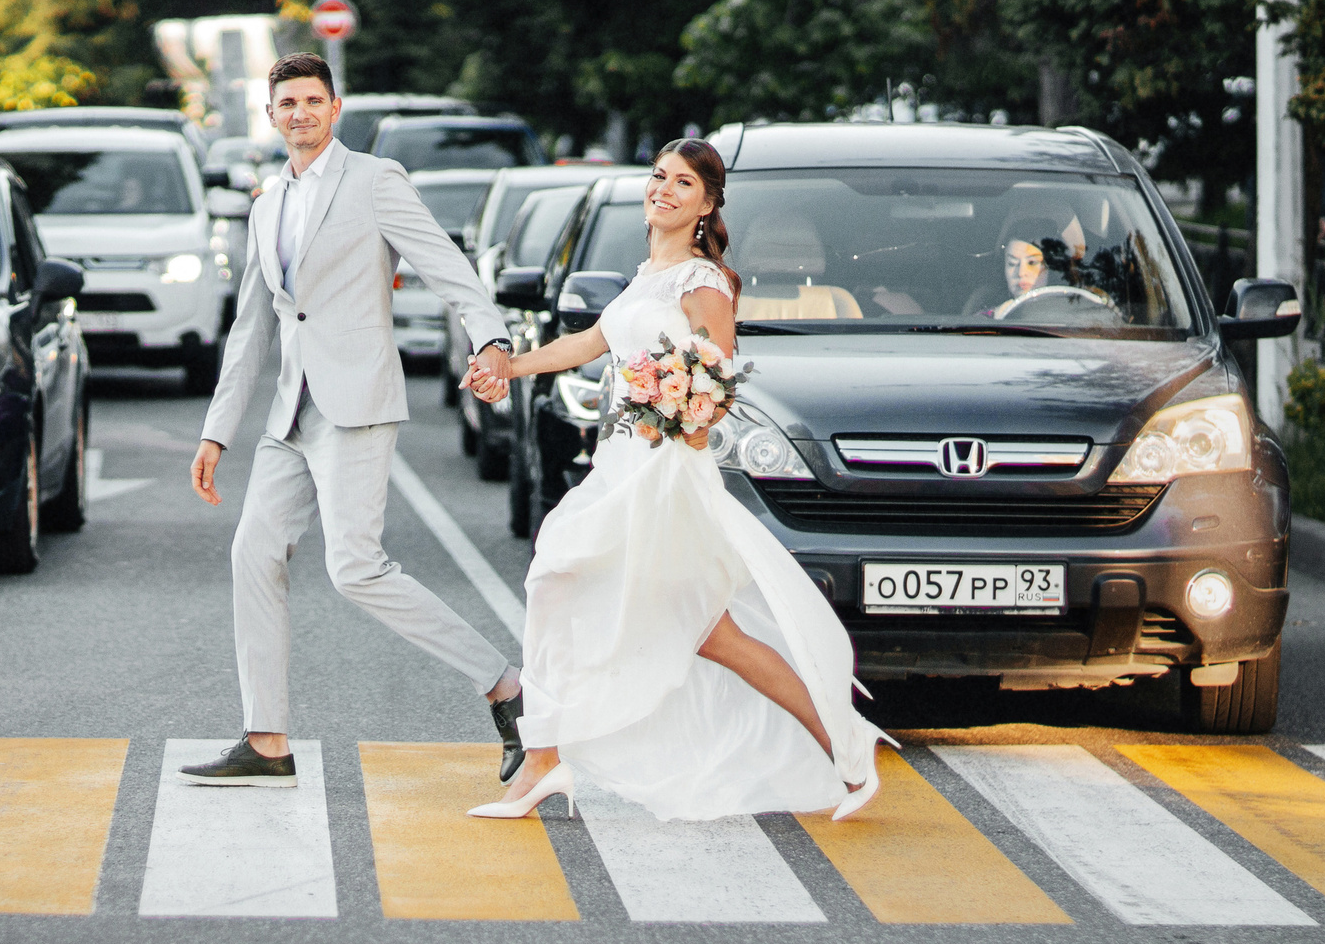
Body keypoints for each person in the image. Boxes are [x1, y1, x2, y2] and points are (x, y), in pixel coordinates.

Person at [474, 139, 887, 823]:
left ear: (707, 202)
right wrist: (510, 368)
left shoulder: (703, 281)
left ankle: (845, 749)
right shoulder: (647, 274)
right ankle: (544, 760)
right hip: (622, 467)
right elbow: (588, 344)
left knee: (589, 588)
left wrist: (685, 419)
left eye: (683, 182)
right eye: (659, 176)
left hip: (664, 475)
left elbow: (719, 376)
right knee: (678, 622)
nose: (664, 189)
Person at [180, 53, 527, 788]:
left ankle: (507, 687)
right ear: (271, 116)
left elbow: (443, 262)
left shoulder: (374, 181)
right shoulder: (267, 201)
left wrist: (491, 336)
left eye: (313, 100)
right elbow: (252, 327)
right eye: (287, 103)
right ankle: (266, 740)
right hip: (290, 411)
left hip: (357, 400)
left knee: (356, 568)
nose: (300, 112)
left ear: (335, 109)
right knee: (253, 552)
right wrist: (216, 430)